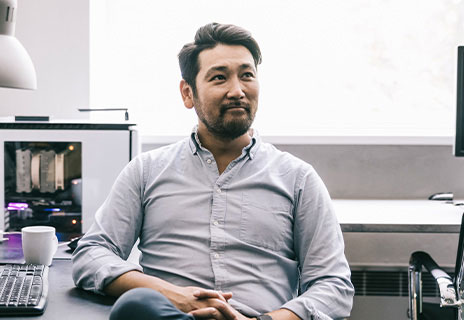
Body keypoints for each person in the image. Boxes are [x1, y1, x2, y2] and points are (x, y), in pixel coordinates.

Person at [72, 22, 354, 320]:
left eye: (247, 76)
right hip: (169, 316)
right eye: (219, 78)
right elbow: (91, 255)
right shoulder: (146, 171)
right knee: (137, 305)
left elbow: (333, 285)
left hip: (260, 317)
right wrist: (168, 294)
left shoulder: (298, 179)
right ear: (187, 93)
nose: (237, 90)